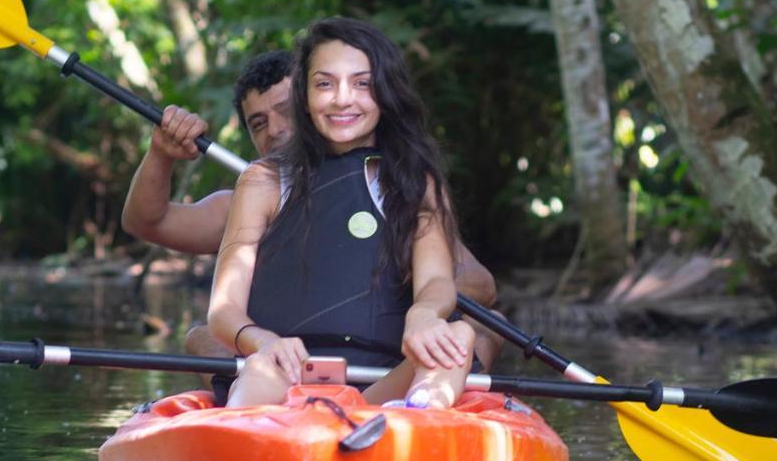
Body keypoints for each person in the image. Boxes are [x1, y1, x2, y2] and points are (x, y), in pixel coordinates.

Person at [120, 51, 504, 368]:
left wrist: (392, 281)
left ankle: (448, 405)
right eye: (259, 123)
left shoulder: (391, 187)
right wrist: (160, 155)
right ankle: (248, 423)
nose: (275, 130)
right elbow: (146, 221)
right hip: (281, 356)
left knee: (488, 327)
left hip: (385, 347)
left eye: (286, 111)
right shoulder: (252, 195)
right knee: (203, 337)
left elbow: (480, 285)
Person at [208, 17, 476, 409]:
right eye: (325, 84)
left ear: (386, 93)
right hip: (284, 374)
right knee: (261, 369)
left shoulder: (417, 182)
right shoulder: (263, 181)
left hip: (381, 387)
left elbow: (436, 279)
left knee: (459, 335)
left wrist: (425, 314)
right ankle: (252, 434)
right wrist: (260, 340)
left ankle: (419, 416)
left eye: (362, 83)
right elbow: (223, 310)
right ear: (304, 96)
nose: (342, 99)